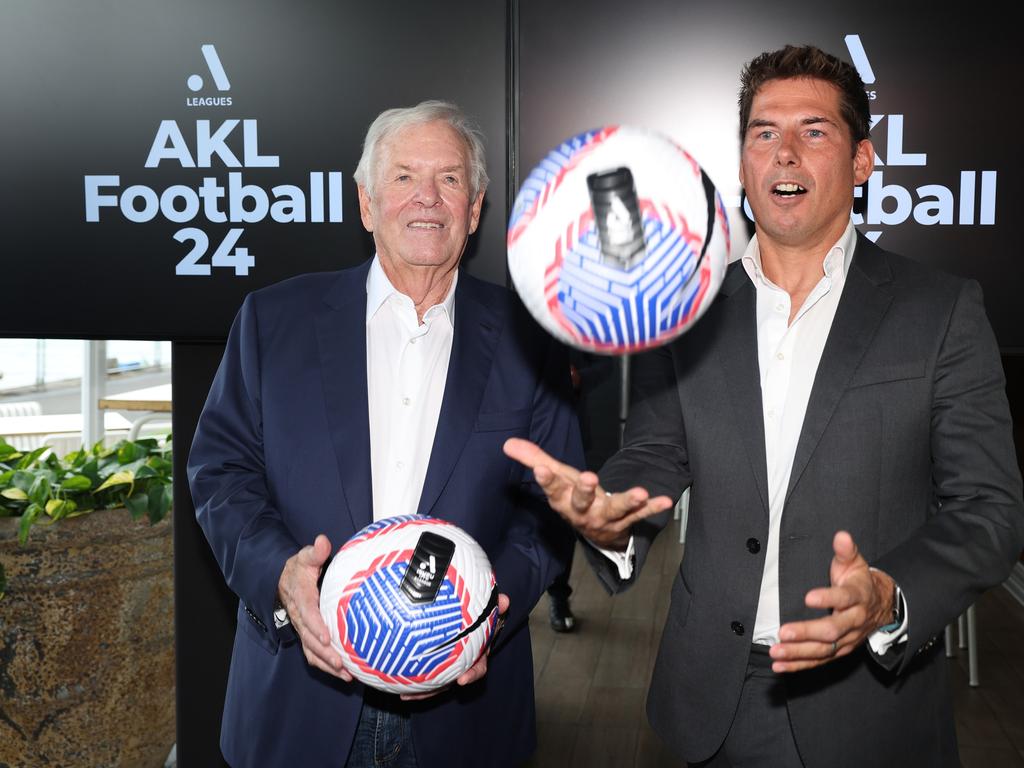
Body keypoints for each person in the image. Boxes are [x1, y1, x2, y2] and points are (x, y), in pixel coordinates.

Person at [505, 45, 1024, 768]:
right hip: (712, 698)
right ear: (743, 165)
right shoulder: (687, 308)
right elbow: (657, 452)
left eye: (813, 131)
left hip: (871, 709)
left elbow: (989, 511)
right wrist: (610, 511)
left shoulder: (940, 312)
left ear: (864, 160)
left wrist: (888, 597)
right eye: (763, 133)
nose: (784, 153)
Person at [188, 100, 582, 768]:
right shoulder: (272, 322)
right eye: (403, 177)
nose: (426, 198)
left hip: (465, 716)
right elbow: (221, 475)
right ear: (367, 202)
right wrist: (282, 575)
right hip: (299, 701)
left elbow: (554, 507)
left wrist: (487, 613)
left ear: (476, 208)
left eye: (450, 179)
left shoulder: (532, 340)